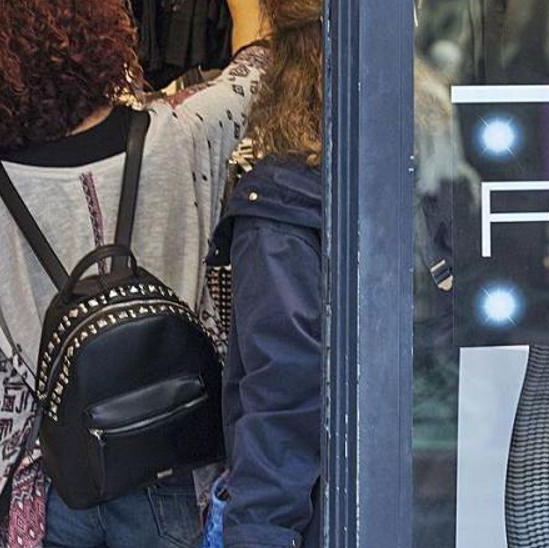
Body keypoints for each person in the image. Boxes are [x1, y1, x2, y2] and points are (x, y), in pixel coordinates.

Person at [0, 0, 269, 546]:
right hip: (172, 456)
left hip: (47, 473)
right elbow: (258, 70)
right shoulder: (183, 133)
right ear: (95, 32)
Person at [209, 1, 324, 546]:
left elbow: (282, 400)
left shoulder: (282, 205)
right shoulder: (438, 175)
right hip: (443, 504)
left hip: (333, 513)